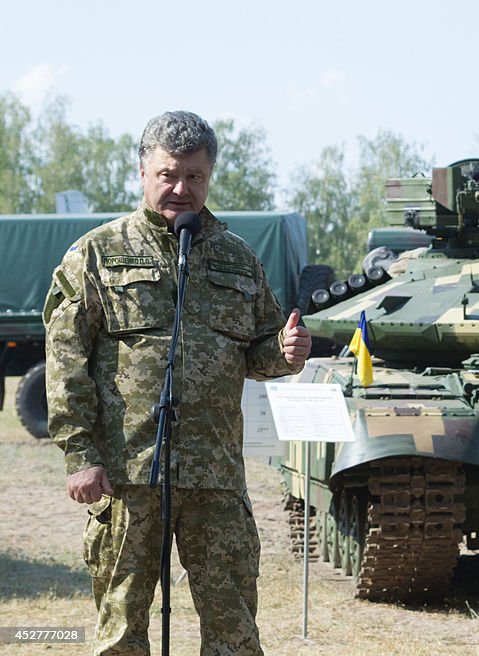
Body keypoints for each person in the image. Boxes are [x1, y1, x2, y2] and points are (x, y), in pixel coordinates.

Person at [44, 110, 311, 655]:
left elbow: (259, 349)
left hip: (214, 477)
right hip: (126, 475)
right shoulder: (97, 254)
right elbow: (66, 357)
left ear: (209, 176)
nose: (181, 189)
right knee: (121, 630)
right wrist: (80, 455)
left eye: (195, 176)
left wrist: (285, 353)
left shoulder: (238, 258)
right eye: (169, 174)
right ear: (143, 171)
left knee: (235, 632)